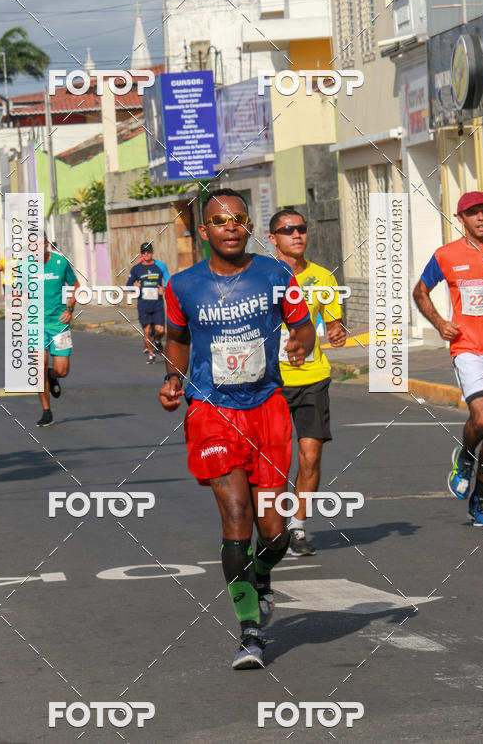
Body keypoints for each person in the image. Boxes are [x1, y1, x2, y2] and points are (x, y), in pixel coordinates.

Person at [159, 189, 315, 669]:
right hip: (211, 409)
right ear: (203, 231)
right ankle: (250, 632)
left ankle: (262, 575)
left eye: (239, 219)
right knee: (235, 516)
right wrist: (171, 377)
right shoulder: (183, 286)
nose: (230, 227)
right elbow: (178, 339)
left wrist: (299, 345)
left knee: (274, 532)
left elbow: (304, 325)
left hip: (266, 409)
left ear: (248, 226)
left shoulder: (275, 275)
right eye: (219, 221)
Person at [413, 192, 483, 526]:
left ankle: (479, 498)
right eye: (473, 213)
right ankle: (465, 457)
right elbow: (420, 291)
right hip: (468, 348)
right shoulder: (447, 255)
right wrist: (440, 324)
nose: (480, 218)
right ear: (461, 218)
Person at [268, 208, 347, 555]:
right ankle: (270, 525)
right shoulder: (262, 278)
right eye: (288, 230)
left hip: (313, 377)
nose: (297, 235)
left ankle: (297, 526)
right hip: (270, 381)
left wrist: (337, 331)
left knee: (311, 455)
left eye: (301, 228)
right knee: (273, 461)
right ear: (273, 239)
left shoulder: (323, 278)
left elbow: (333, 325)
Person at [37, 233, 79, 428]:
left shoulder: (61, 263)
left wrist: (70, 308)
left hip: (59, 324)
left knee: (62, 370)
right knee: (39, 366)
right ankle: (47, 411)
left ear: (46, 243)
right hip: (34, 324)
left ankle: (52, 376)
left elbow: (75, 285)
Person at [127, 243, 167, 364]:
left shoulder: (159, 267)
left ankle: (158, 341)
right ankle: (151, 354)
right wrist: (134, 286)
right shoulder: (136, 269)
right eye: (144, 252)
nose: (146, 254)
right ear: (141, 254)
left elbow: (168, 280)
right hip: (143, 305)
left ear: (152, 252)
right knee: (148, 331)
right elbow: (128, 284)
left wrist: (163, 289)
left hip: (157, 305)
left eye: (148, 252)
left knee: (160, 331)